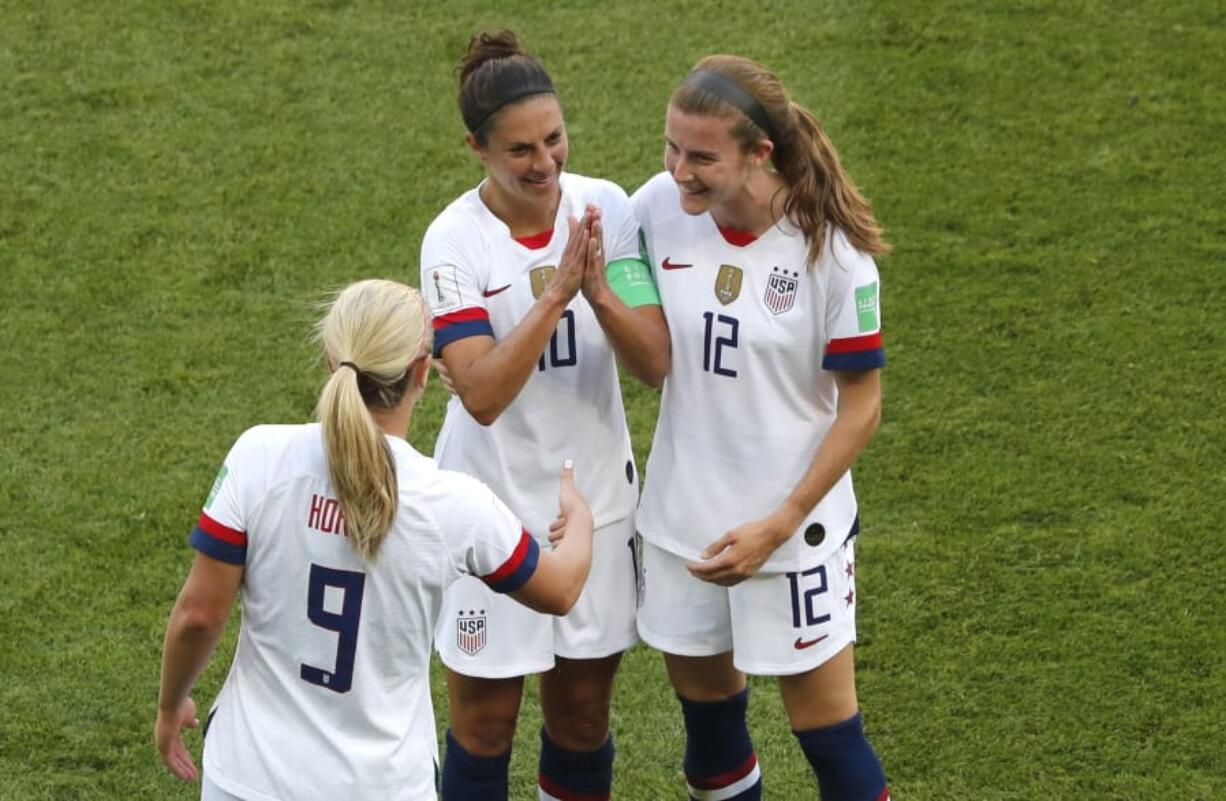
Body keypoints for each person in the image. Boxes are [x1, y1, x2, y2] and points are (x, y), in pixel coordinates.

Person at [154, 279, 595, 801]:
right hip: (383, 785)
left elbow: (199, 615)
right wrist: (581, 521)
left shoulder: (260, 458)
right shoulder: (452, 503)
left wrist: (169, 705)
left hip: (250, 777)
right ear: (422, 373)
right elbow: (561, 589)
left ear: (329, 358)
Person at [631, 55, 893, 801]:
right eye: (672, 147)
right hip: (685, 524)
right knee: (710, 733)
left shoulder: (834, 258)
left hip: (793, 531)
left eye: (702, 156)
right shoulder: (654, 208)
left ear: (759, 154)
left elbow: (862, 406)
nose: (680, 170)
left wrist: (778, 523)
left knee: (830, 736)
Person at [420, 30, 669, 801]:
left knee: (584, 716)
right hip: (487, 501)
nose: (546, 163)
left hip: (596, 500)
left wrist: (599, 291)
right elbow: (482, 394)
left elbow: (655, 363)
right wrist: (559, 291)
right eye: (520, 149)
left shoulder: (610, 209)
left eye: (555, 138)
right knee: (485, 725)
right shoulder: (453, 240)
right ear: (476, 147)